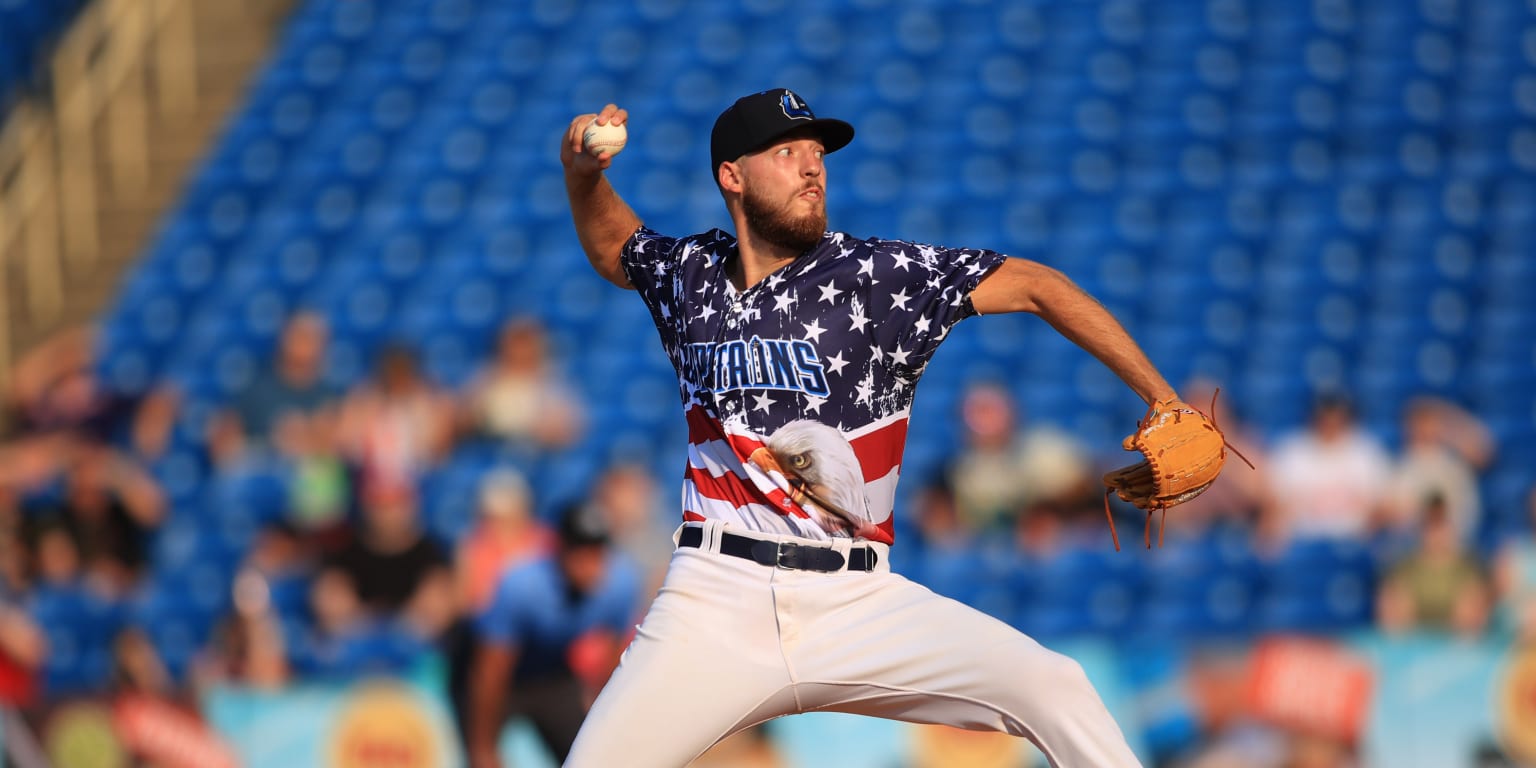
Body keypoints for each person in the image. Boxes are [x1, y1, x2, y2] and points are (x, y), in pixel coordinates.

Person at [554, 88, 1196, 767]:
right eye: (787, 152)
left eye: (817, 152)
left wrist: (1162, 397)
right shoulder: (693, 275)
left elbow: (1039, 285)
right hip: (713, 598)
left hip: (856, 599)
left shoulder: (877, 276)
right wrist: (582, 172)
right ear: (732, 176)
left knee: (1054, 686)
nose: (812, 167)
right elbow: (616, 247)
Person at [465, 505, 640, 767]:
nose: (588, 564)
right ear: (560, 551)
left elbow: (615, 655)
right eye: (579, 552)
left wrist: (598, 705)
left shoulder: (621, 584)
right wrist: (483, 749)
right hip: (502, 679)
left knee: (590, 755)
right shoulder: (521, 586)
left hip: (552, 675)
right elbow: (490, 671)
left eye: (596, 552)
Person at [1264, 394, 1393, 543]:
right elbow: (1273, 505)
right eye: (1325, 418)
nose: (1330, 424)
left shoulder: (1367, 451)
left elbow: (1384, 505)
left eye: (1336, 418)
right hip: (1302, 539)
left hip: (1354, 540)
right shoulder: (1291, 451)